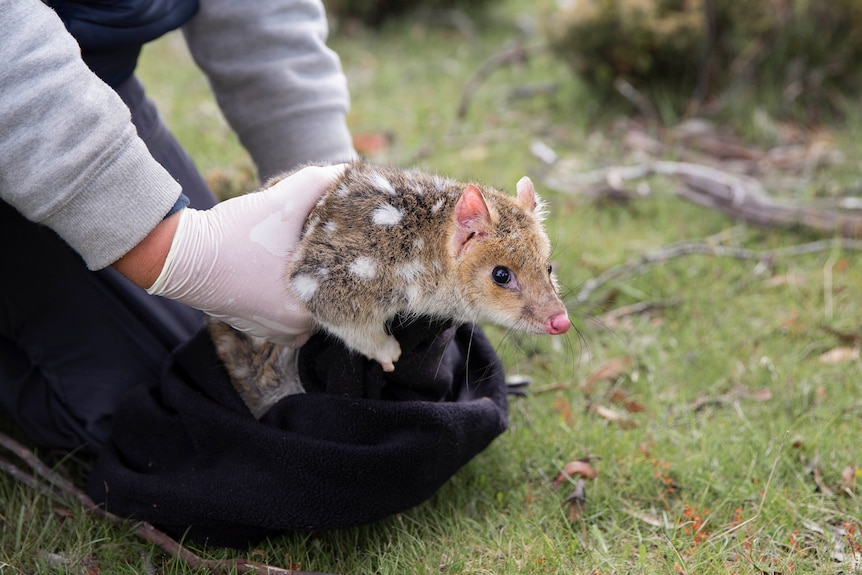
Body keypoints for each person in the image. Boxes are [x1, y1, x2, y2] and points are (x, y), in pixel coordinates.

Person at [0, 0, 356, 451]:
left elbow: (262, 17)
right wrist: (176, 250)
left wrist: (340, 205)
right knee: (143, 410)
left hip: (83, 80)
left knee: (213, 365)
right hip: (18, 84)